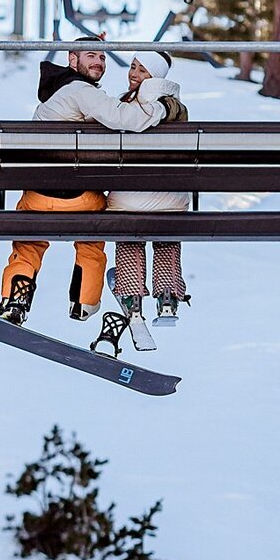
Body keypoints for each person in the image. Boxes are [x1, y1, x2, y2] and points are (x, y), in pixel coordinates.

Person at [0, 40, 179, 327]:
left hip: (38, 197)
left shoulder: (57, 94)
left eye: (103, 57)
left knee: (29, 240)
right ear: (72, 59)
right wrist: (162, 110)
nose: (99, 62)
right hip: (79, 198)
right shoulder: (81, 91)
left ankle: (16, 298)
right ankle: (85, 301)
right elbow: (122, 118)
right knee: (93, 232)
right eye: (91, 56)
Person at [104, 49, 190, 349]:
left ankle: (132, 297)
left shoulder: (131, 106)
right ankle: (167, 297)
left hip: (128, 201)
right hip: (173, 203)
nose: (133, 74)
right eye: (132, 67)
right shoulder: (178, 107)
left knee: (129, 237)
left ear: (154, 77)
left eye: (141, 70)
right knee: (166, 237)